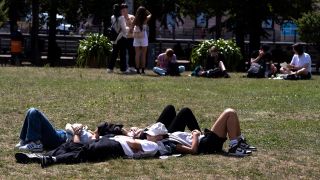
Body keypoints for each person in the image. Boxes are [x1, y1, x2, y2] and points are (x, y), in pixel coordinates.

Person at [15, 122, 167, 168]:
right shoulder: (148, 140)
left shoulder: (153, 145)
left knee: (84, 153)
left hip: (118, 147)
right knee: (70, 146)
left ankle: (52, 160)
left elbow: (134, 146)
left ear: (159, 137)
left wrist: (128, 136)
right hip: (112, 142)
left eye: (151, 134)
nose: (148, 134)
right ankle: (41, 156)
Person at [129, 105, 256, 157]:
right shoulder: (167, 143)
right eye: (149, 135)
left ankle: (238, 142)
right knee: (229, 112)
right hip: (205, 144)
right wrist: (195, 136)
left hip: (205, 142)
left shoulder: (166, 138)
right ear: (159, 138)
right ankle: (235, 146)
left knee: (231, 113)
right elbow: (193, 151)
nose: (148, 134)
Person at [15, 108, 97, 152]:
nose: (97, 127)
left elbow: (77, 145)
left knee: (34, 112)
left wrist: (76, 133)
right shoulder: (92, 134)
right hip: (61, 133)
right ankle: (24, 140)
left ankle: (36, 144)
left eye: (99, 128)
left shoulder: (95, 140)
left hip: (59, 140)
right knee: (30, 111)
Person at [107, 4, 127, 73]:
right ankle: (123, 69)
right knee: (122, 54)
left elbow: (114, 28)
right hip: (122, 38)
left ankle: (110, 68)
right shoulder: (122, 17)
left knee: (114, 53)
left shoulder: (112, 17)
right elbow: (124, 30)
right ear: (120, 10)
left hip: (114, 38)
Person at [133, 6, 152, 74]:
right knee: (144, 54)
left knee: (137, 54)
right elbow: (150, 14)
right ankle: (143, 70)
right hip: (144, 36)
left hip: (136, 36)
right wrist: (146, 10)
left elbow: (132, 26)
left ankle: (137, 70)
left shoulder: (135, 19)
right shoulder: (146, 19)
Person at [121, 3, 136, 74]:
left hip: (130, 37)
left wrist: (127, 19)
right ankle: (124, 67)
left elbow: (133, 26)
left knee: (132, 52)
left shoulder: (132, 17)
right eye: (123, 9)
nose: (124, 11)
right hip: (123, 38)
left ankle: (131, 67)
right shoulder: (120, 18)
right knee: (123, 53)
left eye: (125, 9)